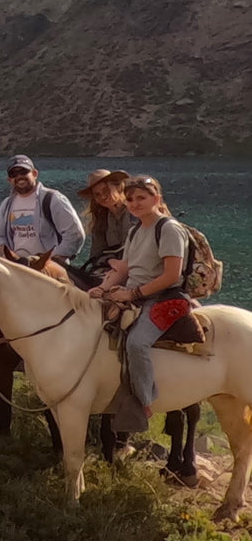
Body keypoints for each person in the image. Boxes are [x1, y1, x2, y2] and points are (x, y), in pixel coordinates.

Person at [89, 175, 190, 431]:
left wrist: (133, 295)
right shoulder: (135, 230)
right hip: (133, 294)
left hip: (164, 298)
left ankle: (145, 400)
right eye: (131, 198)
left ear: (156, 199)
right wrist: (102, 288)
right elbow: (124, 268)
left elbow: (171, 275)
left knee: (136, 343)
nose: (134, 203)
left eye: (141, 198)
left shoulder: (168, 229)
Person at [0, 155, 85, 263]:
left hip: (48, 269)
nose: (19, 176)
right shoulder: (7, 204)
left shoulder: (52, 198)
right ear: (9, 180)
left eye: (23, 171)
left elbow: (75, 234)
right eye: (14, 174)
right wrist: (8, 255)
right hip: (18, 269)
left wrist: (51, 259)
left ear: (35, 174)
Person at [75, 169, 134, 281]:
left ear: (117, 187)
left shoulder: (135, 211)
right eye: (97, 194)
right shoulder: (101, 219)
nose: (102, 196)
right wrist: (111, 262)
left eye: (106, 191)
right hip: (111, 269)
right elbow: (97, 252)